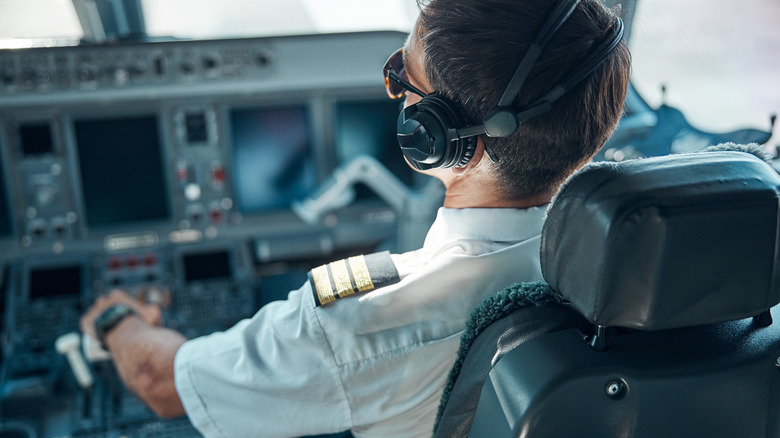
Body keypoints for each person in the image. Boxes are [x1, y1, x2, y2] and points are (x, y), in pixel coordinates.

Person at [80, 0, 631, 436]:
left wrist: (117, 320)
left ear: (438, 139)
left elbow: (161, 381)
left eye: (401, 75)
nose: (393, 88)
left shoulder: (364, 321)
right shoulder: (645, 264)